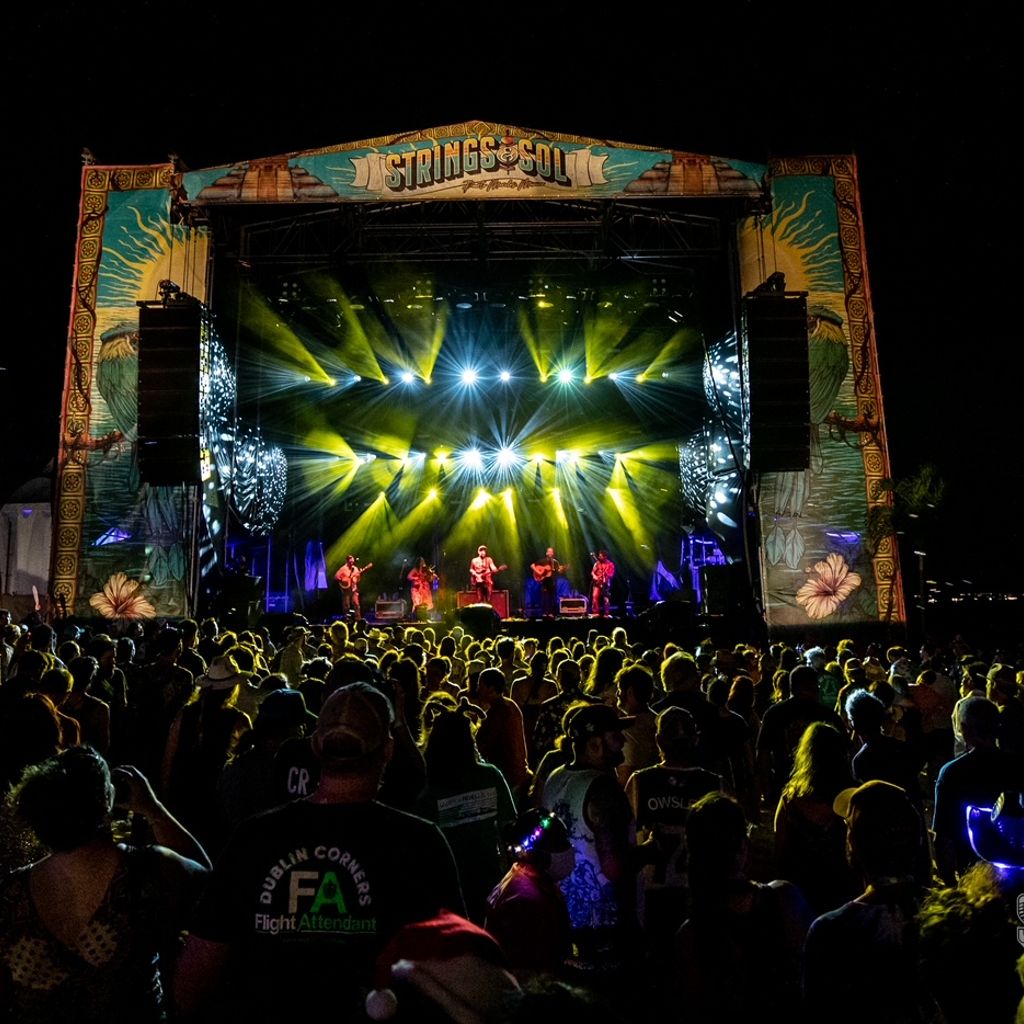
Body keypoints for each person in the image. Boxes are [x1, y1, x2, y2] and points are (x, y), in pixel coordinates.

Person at [173, 682, 466, 1019]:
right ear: (387, 750)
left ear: (315, 745)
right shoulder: (420, 844)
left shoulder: (255, 838)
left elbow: (189, 987)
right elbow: (463, 976)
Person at [0, 747, 210, 1024]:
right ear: (106, 801)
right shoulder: (147, 869)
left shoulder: (11, 892)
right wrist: (154, 810)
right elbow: (210, 888)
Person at [541, 703, 637, 974]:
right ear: (594, 744)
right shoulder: (603, 789)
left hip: (565, 916)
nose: (623, 741)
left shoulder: (555, 777)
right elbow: (614, 867)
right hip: (605, 923)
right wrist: (651, 850)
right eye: (615, 735)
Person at [484, 808, 575, 980]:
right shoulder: (525, 902)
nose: (569, 849)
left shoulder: (527, 878)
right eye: (560, 844)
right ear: (534, 852)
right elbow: (532, 976)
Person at [531, 547, 566, 618]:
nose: (550, 553)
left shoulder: (555, 562)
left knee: (552, 597)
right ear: (546, 553)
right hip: (544, 581)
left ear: (553, 553)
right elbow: (532, 565)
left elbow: (558, 570)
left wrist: (562, 569)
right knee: (544, 598)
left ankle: (551, 613)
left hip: (552, 581)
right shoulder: (542, 561)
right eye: (549, 551)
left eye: (551, 552)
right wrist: (539, 572)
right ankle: (544, 613)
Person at [335, 554, 371, 619]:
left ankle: (358, 618)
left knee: (356, 604)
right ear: (347, 561)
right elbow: (336, 577)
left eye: (352, 561)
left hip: (354, 589)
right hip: (346, 590)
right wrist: (343, 580)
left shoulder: (355, 568)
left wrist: (358, 576)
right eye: (350, 561)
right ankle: (347, 618)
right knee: (346, 605)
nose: (351, 563)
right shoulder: (343, 569)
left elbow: (358, 579)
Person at [590, 550, 615, 618]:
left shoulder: (610, 564)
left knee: (606, 599)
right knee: (595, 596)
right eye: (598, 556)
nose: (599, 557)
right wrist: (595, 577)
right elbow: (592, 572)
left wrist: (606, 574)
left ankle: (606, 613)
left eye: (600, 556)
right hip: (597, 583)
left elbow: (611, 574)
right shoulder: (597, 563)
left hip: (605, 584)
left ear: (605, 557)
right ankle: (595, 612)